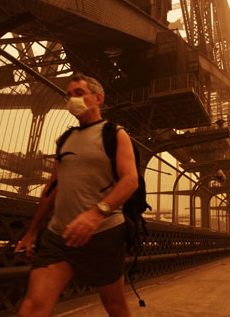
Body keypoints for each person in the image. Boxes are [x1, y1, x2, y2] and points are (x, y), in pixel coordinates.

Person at [16, 73, 138, 317]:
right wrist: (31, 233)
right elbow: (52, 187)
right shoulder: (65, 139)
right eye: (69, 95)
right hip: (58, 237)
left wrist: (96, 213)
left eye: (79, 94)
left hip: (102, 234)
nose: (72, 100)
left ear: (98, 98)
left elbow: (130, 180)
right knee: (34, 306)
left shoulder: (114, 134)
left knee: (115, 306)